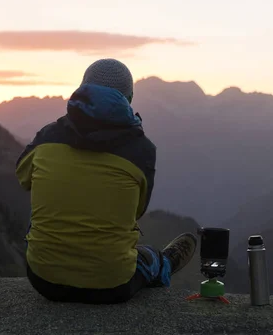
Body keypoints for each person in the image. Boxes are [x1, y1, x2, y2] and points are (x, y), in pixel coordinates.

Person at [15, 58, 197, 304]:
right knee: (148, 256)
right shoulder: (142, 151)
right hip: (112, 285)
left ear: (82, 90)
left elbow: (23, 178)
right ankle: (164, 264)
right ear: (129, 99)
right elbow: (136, 211)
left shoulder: (47, 137)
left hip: (43, 279)